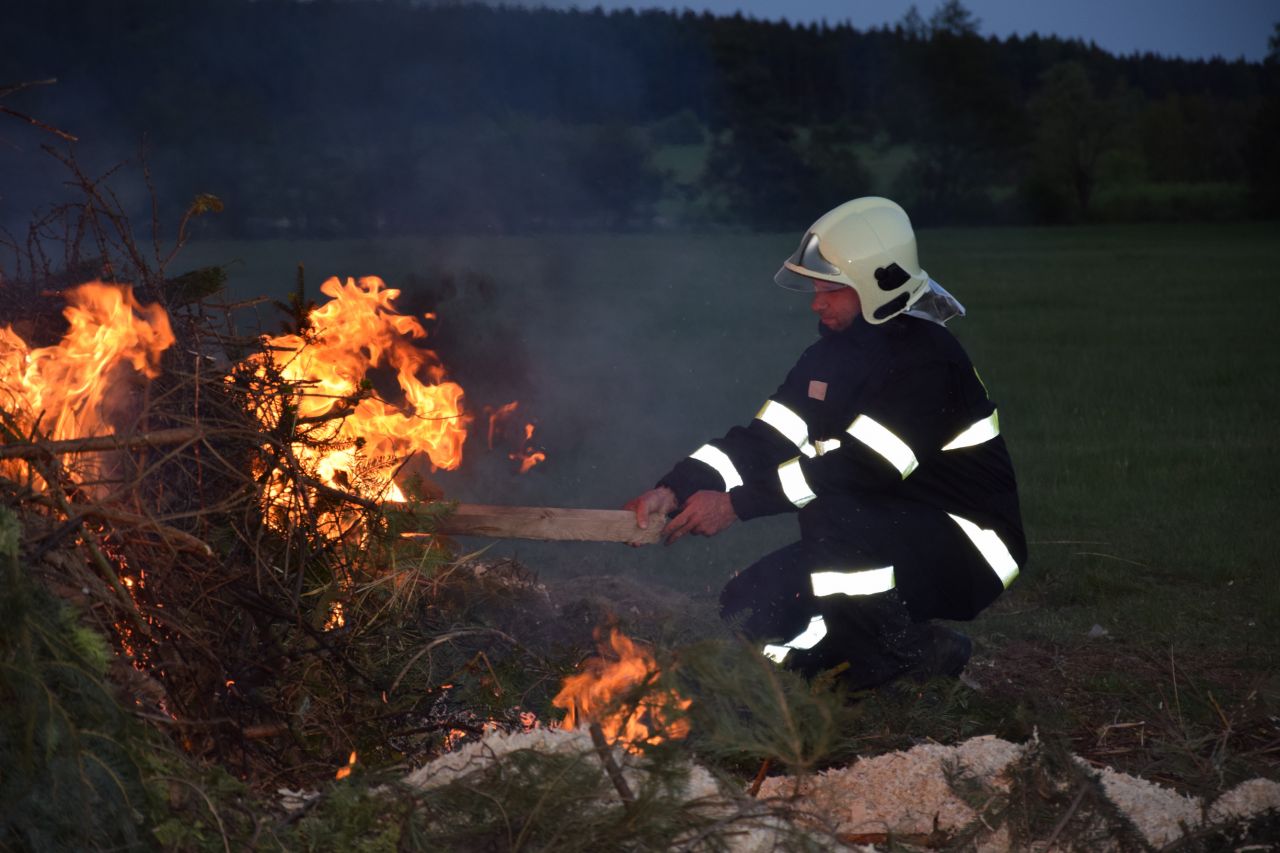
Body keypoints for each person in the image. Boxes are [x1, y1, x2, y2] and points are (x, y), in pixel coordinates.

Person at [626, 197, 1025, 691]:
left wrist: (735, 505)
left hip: (968, 545)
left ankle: (897, 658)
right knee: (746, 605)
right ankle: (894, 650)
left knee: (831, 513)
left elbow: (862, 469)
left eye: (831, 289)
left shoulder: (927, 363)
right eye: (816, 288)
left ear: (880, 284)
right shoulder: (827, 359)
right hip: (876, 530)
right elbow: (764, 441)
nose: (817, 303)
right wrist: (676, 488)